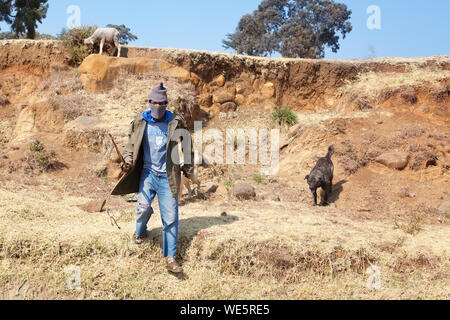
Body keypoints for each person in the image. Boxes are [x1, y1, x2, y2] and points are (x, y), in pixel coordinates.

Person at [111, 83, 194, 273]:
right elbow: (130, 147)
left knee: (171, 217)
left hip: (168, 175)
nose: (158, 106)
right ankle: (140, 233)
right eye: (154, 102)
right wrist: (128, 163)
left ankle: (170, 257)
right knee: (142, 208)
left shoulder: (175, 122)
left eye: (162, 103)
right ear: (149, 102)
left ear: (167, 103)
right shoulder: (141, 122)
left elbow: (187, 145)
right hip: (147, 173)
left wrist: (188, 167)